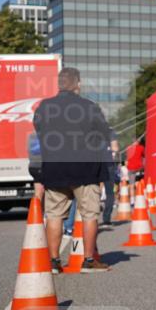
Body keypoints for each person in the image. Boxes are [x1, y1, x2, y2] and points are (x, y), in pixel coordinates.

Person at [32, 67, 111, 273]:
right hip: (86, 169)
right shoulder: (90, 107)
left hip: (55, 168)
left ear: (59, 84)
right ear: (78, 83)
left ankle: (54, 262)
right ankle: (88, 260)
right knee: (89, 215)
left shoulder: (44, 107)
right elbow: (103, 134)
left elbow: (39, 132)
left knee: (55, 215)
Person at [100, 130, 120, 226]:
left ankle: (91, 219)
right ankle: (106, 219)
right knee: (109, 193)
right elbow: (115, 149)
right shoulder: (111, 131)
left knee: (92, 191)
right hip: (108, 165)